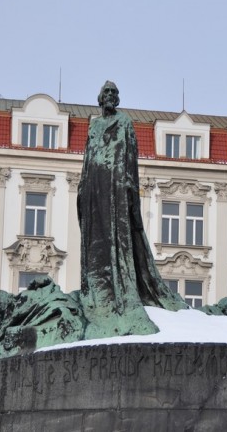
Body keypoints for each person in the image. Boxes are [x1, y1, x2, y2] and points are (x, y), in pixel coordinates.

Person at [77, 81, 185, 339]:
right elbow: (87, 156)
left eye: (114, 93)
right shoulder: (92, 125)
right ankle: (97, 288)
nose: (111, 96)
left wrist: (129, 186)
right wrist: (82, 184)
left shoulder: (125, 122)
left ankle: (121, 288)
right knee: (96, 241)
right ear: (100, 98)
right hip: (94, 184)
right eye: (107, 93)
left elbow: (130, 156)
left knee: (118, 239)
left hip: (115, 184)